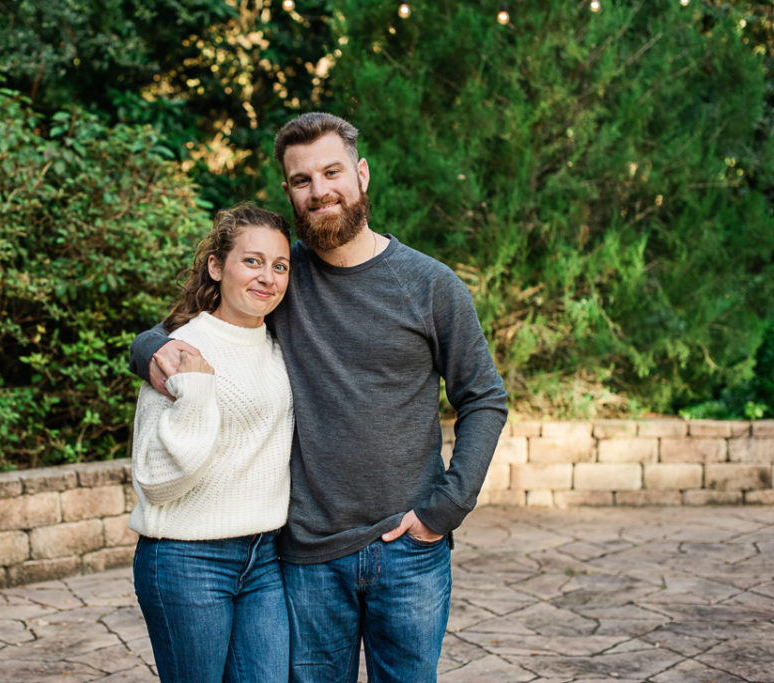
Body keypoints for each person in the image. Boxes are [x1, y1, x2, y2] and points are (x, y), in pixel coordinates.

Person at [130, 112, 508, 682]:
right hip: (306, 556)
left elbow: (483, 396)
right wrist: (148, 353)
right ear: (288, 190)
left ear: (361, 174)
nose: (319, 191)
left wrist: (447, 508)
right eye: (302, 180)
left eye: (331, 172)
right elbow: (177, 331)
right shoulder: (282, 278)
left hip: (409, 547)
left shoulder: (429, 285)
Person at [127, 203, 295, 682]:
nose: (267, 277)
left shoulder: (280, 344)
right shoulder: (181, 350)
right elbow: (155, 482)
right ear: (216, 267)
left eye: (279, 266)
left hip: (263, 556)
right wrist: (196, 393)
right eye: (252, 261)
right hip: (186, 558)